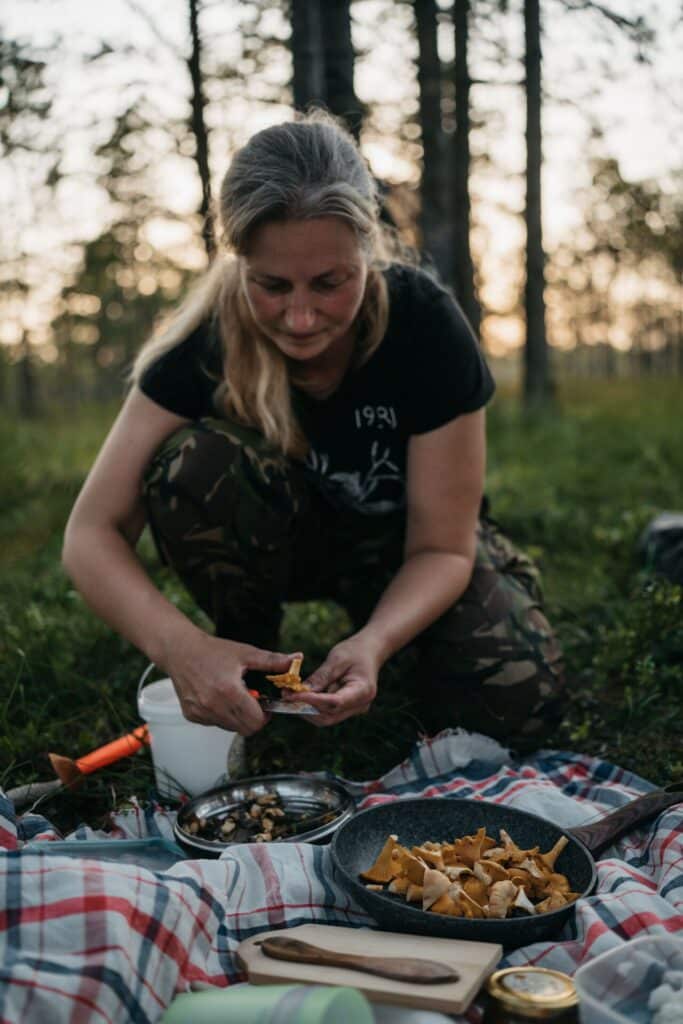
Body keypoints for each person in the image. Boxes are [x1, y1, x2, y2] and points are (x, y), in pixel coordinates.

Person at [63, 110, 564, 751]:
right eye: (271, 285)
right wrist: (185, 651)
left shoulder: (426, 326)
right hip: (280, 546)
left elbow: (442, 547)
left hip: (402, 551)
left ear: (368, 249)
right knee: (195, 462)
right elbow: (89, 534)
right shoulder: (201, 343)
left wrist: (376, 642)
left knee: (519, 704)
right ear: (238, 262)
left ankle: (393, 652)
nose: (300, 318)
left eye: (330, 283)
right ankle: (247, 656)